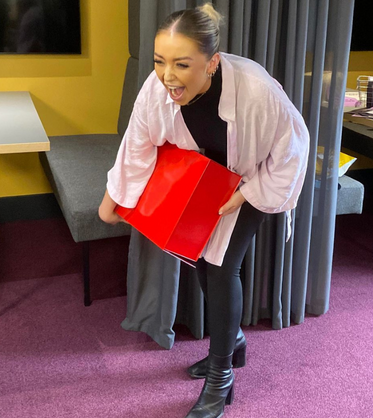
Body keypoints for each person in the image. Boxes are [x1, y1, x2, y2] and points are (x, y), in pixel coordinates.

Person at [99, 4, 309, 417]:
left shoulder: (255, 88)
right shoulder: (157, 89)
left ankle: (220, 377)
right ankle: (233, 345)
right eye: (159, 61)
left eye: (181, 64)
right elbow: (137, 143)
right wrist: (114, 200)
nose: (167, 76)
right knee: (196, 257)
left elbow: (293, 147)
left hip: (254, 179)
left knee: (221, 267)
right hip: (204, 181)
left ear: (212, 62)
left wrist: (248, 195)